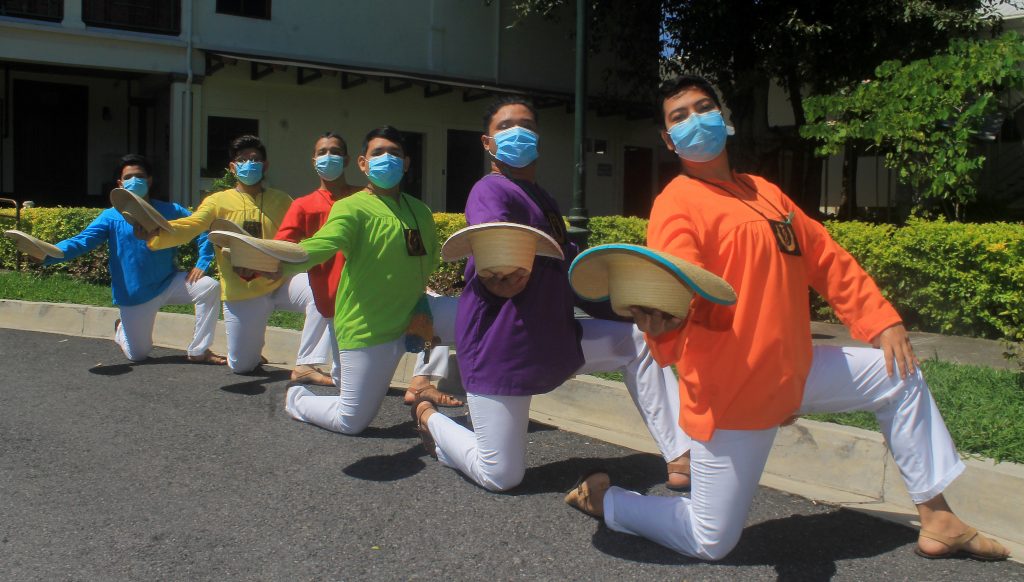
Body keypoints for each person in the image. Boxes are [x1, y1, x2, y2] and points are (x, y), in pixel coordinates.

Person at [563, 76, 1009, 562]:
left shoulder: (766, 193)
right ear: (670, 141)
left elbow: (827, 259)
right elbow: (675, 294)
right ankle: (609, 501)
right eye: (680, 116)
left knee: (897, 374)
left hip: (795, 371)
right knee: (710, 540)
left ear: (723, 118)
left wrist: (881, 320)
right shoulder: (677, 203)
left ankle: (938, 518)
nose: (696, 120)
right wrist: (666, 325)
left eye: (704, 107)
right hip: (734, 392)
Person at [411, 97, 690, 493]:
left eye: (526, 125)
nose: (518, 133)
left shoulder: (544, 199)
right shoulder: (489, 190)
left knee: (639, 341)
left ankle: (681, 453)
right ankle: (430, 418)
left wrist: (627, 307)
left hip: (554, 338)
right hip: (501, 347)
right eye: (505, 127)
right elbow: (495, 239)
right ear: (487, 143)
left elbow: (571, 274)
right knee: (500, 475)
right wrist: (500, 274)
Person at [261, 126, 454, 434]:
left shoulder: (420, 211)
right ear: (363, 163)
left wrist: (422, 302)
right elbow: (321, 244)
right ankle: (297, 399)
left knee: (479, 319)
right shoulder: (350, 207)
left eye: (395, 153)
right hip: (369, 328)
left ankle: (477, 409)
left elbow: (427, 260)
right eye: (378, 153)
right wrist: (280, 262)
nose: (387, 158)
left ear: (406, 163)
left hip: (414, 314)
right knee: (351, 421)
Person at [141, 135, 333, 382]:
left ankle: (306, 363)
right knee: (243, 367)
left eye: (255, 159)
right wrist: (157, 232)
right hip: (242, 291)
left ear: (265, 165)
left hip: (281, 280)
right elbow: (192, 225)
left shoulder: (282, 200)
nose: (249, 164)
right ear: (232, 167)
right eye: (242, 160)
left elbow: (304, 234)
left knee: (323, 290)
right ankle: (250, 352)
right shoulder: (217, 201)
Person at [38, 154, 222, 364]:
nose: (135, 180)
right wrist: (48, 255)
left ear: (149, 180)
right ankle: (120, 329)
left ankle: (199, 351)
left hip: (169, 282)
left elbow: (201, 229)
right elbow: (81, 241)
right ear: (120, 183)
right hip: (135, 294)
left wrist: (202, 262)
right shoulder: (110, 217)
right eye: (128, 177)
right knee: (138, 355)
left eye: (140, 176)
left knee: (209, 287)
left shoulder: (170, 210)